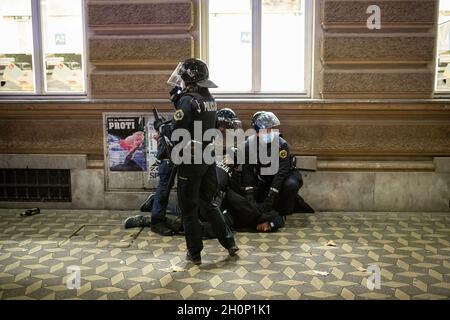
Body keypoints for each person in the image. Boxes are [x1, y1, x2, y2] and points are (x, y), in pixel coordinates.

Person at [169, 58, 238, 265]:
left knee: (188, 209)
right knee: (208, 203)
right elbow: (197, 117)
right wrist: (179, 100)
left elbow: (177, 132)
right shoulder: (209, 98)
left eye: (182, 77)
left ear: (190, 79)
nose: (179, 80)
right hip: (208, 157)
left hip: (190, 160)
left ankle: (195, 253)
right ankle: (229, 243)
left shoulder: (187, 101)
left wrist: (164, 132)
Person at [242, 111, 305, 217]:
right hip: (266, 178)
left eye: (270, 129)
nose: (270, 132)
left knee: (290, 186)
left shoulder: (281, 144)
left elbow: (282, 171)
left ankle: (286, 211)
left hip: (286, 176)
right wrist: (249, 192)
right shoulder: (249, 145)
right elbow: (247, 169)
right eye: (266, 129)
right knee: (257, 203)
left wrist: (272, 194)